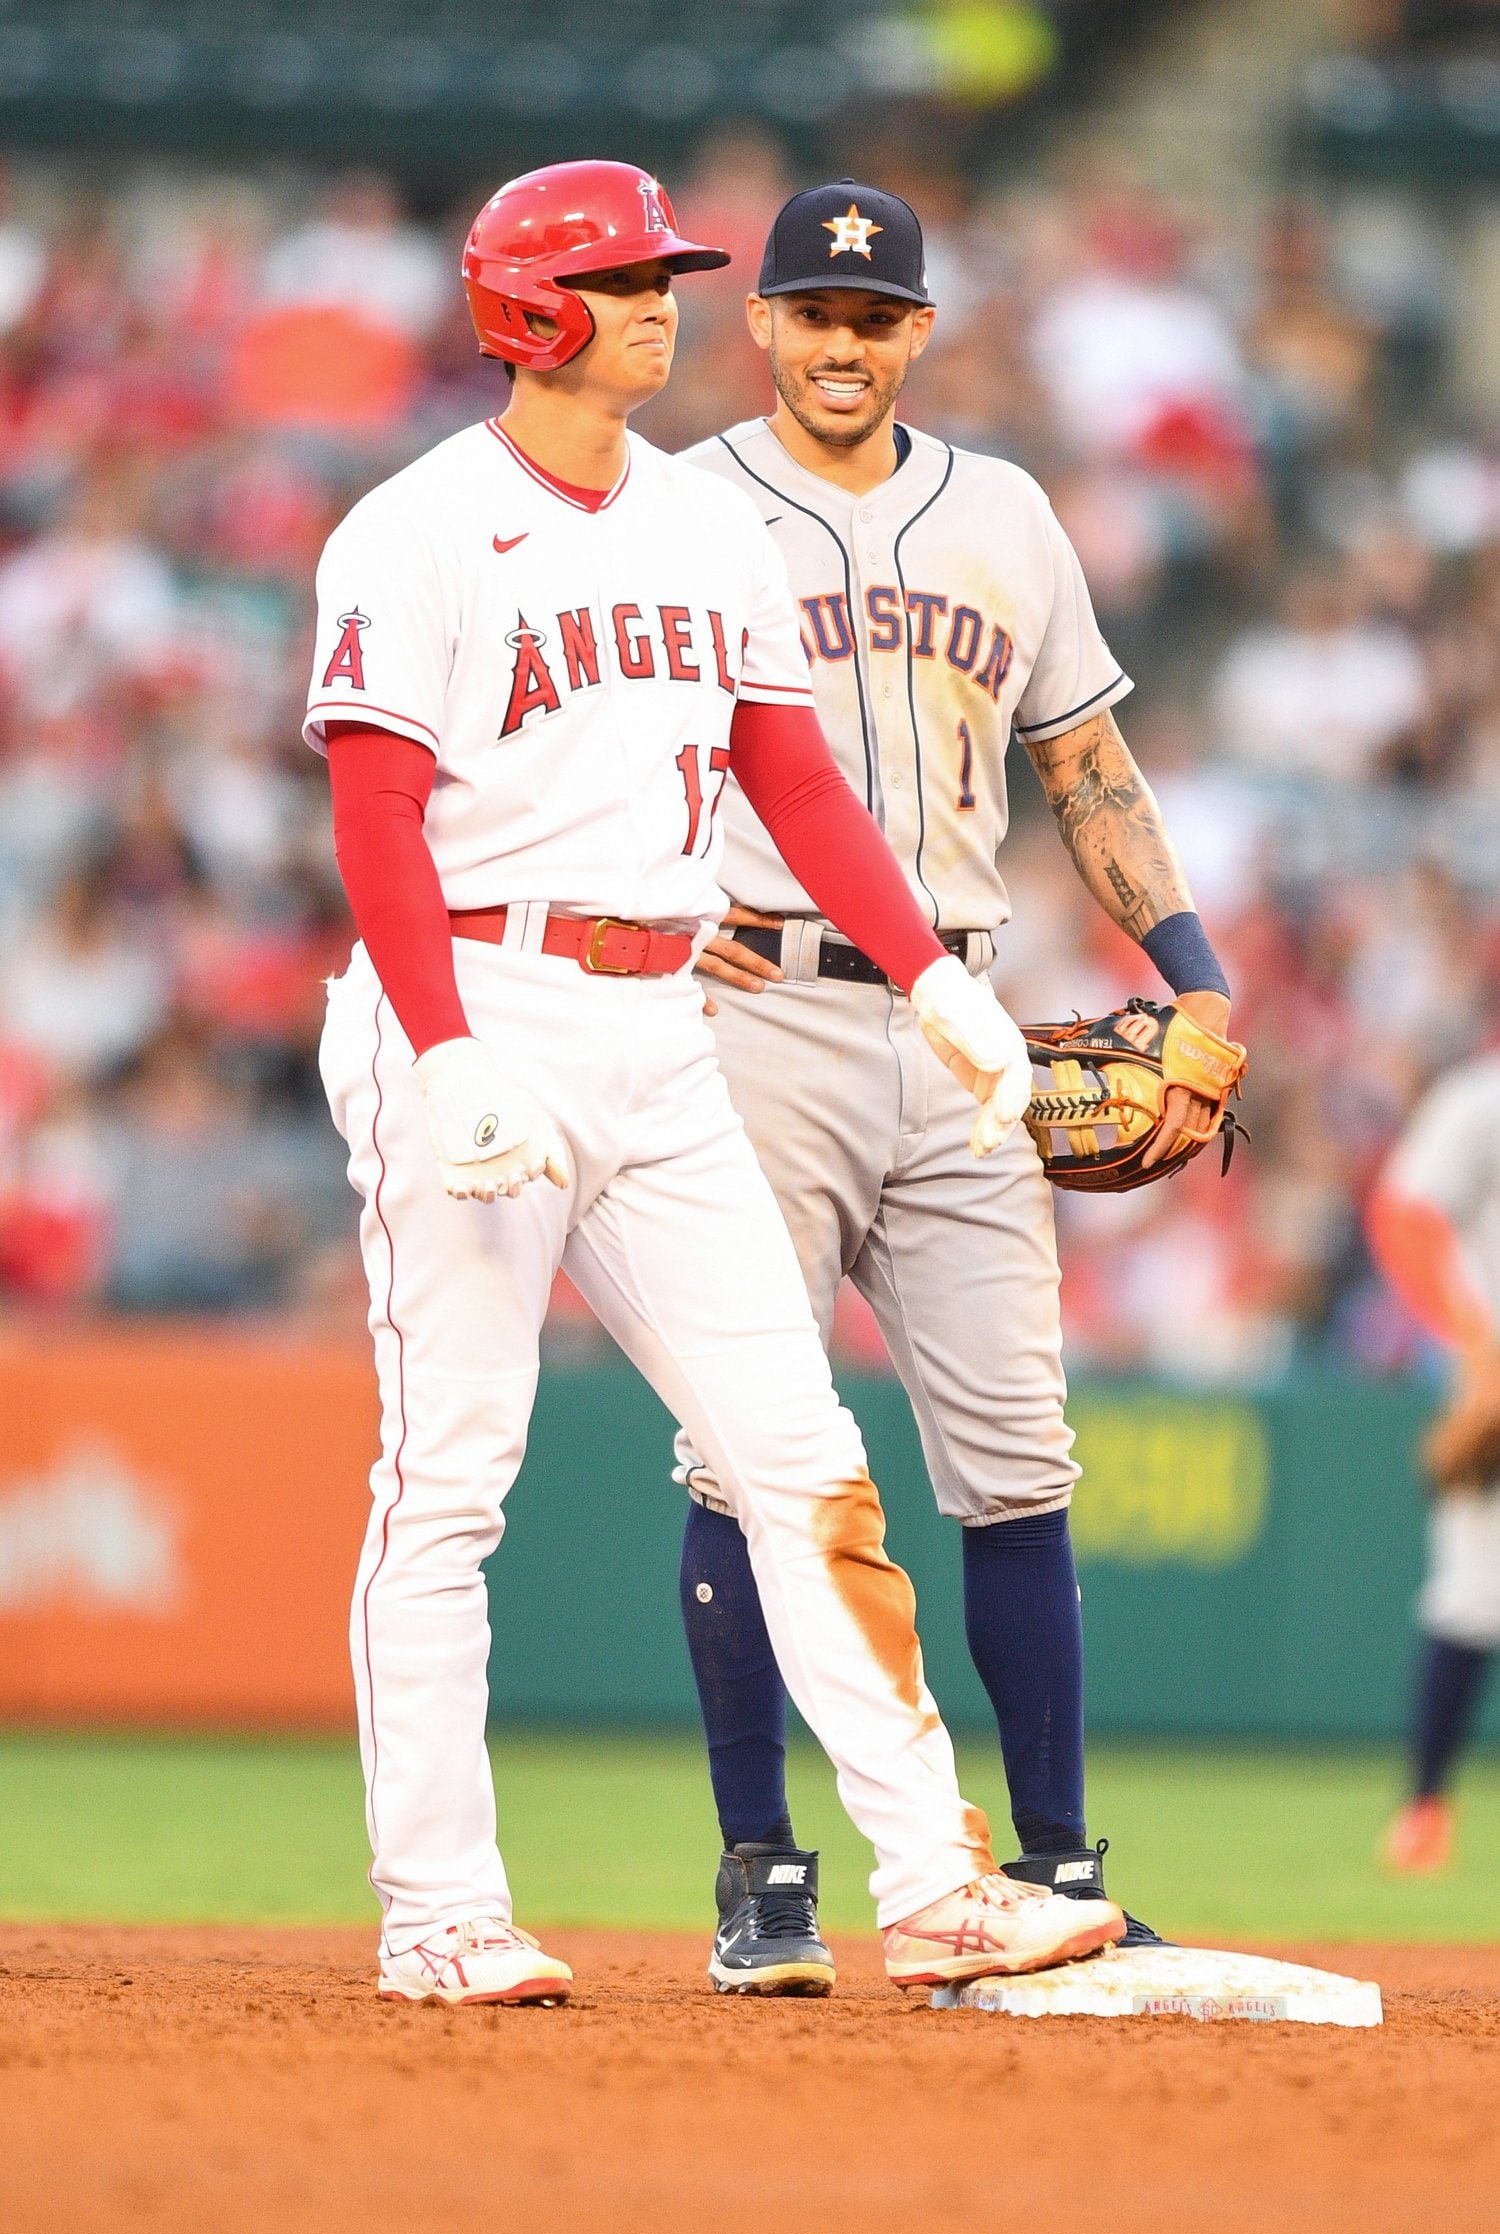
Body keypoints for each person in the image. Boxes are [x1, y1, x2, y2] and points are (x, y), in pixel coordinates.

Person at [305, 160, 1127, 2007]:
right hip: (478, 993)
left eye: (667, 275)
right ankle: (438, 1909)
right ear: (530, 310)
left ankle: (937, 1882)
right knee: (450, 1478)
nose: (662, 305)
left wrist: (933, 978)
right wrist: (443, 1048)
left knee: (801, 1451)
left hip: (661, 1023)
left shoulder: (698, 522)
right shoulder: (417, 527)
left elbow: (793, 778)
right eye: (624, 279)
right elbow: (375, 817)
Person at [673, 180, 1238, 1995]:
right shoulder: (677, 510)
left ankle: (1056, 1866)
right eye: (815, 312)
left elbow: (1089, 764)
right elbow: (590, 751)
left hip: (968, 1026)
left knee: (1015, 1458)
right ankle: (761, 1872)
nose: (844, 342)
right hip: (760, 1010)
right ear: (763, 324)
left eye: (876, 315)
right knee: (742, 1450)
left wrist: (1199, 976)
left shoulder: (1003, 511)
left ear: (919, 330)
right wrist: (649, 910)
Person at [1367, 1059, 1500, 1873]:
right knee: (1474, 1593)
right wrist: (1475, 1345)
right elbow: (1405, 1213)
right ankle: (1424, 1808)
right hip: (1497, 1380)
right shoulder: (1482, 1099)